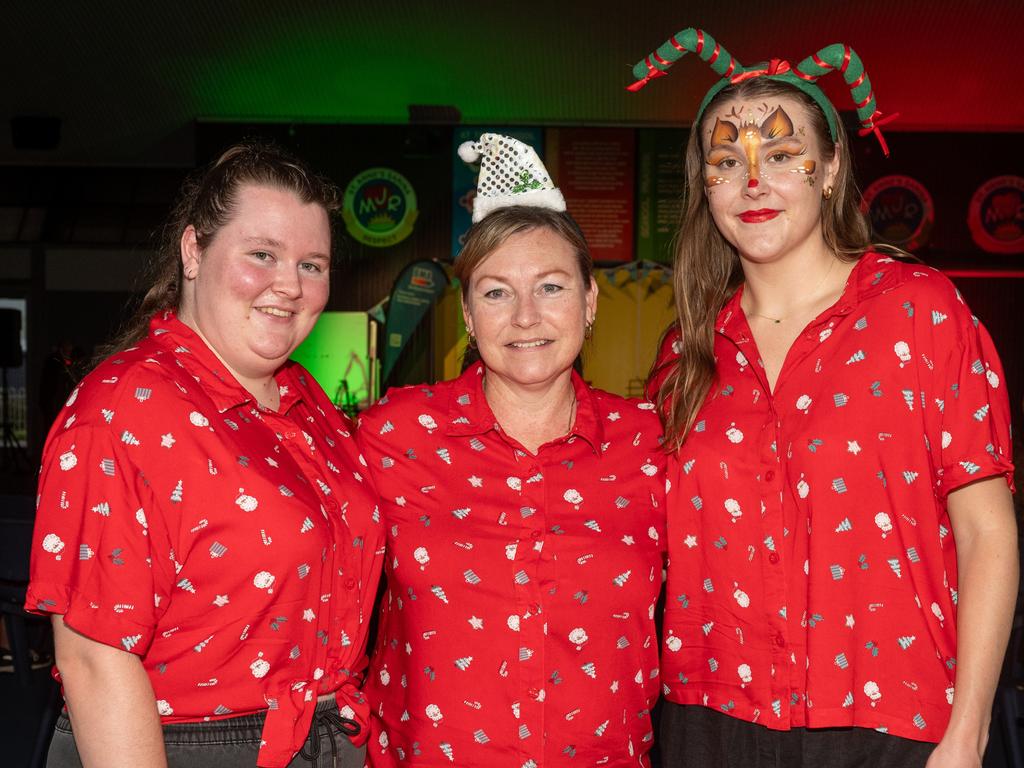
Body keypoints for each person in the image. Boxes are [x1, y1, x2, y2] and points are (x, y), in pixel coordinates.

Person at [629, 28, 1018, 768]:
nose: (753, 182)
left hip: (889, 715)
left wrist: (966, 733)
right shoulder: (687, 351)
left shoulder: (920, 311)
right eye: (725, 162)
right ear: (703, 184)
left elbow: (987, 534)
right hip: (711, 717)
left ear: (831, 168)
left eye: (780, 155)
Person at [26, 142, 383, 768]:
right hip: (178, 746)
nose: (289, 286)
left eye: (313, 264)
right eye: (263, 255)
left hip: (324, 736)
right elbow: (93, 658)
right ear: (193, 251)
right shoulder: (124, 405)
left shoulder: (307, 401)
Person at [356, 134, 666, 766]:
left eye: (551, 287)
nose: (526, 316)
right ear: (468, 314)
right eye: (496, 292)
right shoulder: (395, 435)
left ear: (589, 302)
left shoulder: (650, 442)